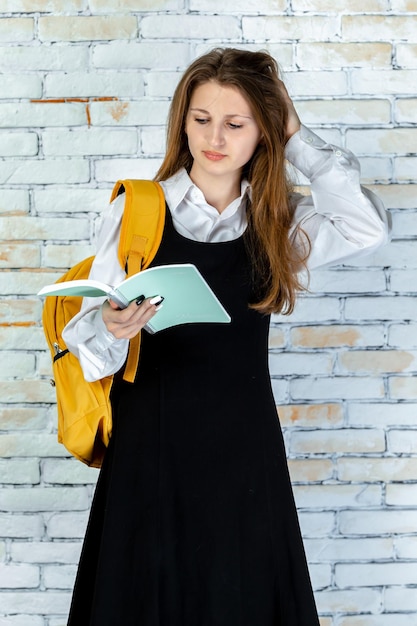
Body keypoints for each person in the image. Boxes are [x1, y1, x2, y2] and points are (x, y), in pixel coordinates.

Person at [63, 48, 389, 625]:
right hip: (150, 440)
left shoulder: (278, 219)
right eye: (200, 119)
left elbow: (363, 225)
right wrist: (111, 328)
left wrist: (297, 136)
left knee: (240, 597)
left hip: (243, 443)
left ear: (263, 130)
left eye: (236, 123)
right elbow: (87, 346)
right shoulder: (140, 209)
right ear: (181, 122)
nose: (214, 137)